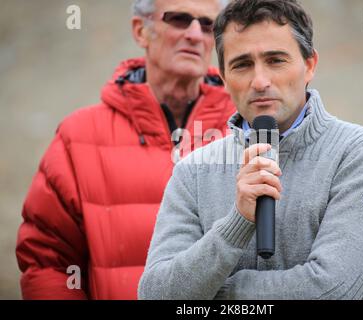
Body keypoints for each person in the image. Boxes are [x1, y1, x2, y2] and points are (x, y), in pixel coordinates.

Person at [138, 0, 363, 300]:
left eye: (276, 60)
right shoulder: (192, 171)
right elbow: (157, 294)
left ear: (310, 65)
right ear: (224, 78)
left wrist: (215, 295)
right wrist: (238, 221)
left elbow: (333, 289)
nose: (260, 81)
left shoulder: (362, 155)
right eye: (242, 64)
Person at [16, 0, 234, 300]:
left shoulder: (245, 133)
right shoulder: (78, 136)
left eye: (208, 24)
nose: (195, 34)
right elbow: (48, 260)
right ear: (141, 31)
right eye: (179, 19)